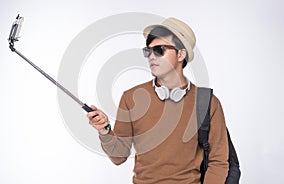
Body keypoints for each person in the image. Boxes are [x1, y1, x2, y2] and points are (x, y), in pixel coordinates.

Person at [86, 17, 229, 184]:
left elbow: (218, 161)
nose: (151, 57)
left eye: (160, 50)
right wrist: (105, 131)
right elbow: (119, 157)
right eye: (148, 51)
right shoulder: (130, 98)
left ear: (181, 54)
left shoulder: (208, 102)